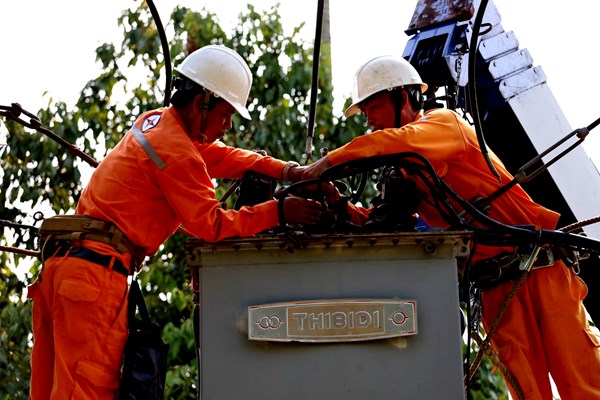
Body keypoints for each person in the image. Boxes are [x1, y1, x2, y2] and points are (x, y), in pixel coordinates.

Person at [27, 44, 322, 399]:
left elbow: (219, 157)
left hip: (65, 271)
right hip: (95, 280)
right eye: (226, 114)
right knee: (85, 392)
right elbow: (212, 225)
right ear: (201, 104)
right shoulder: (176, 151)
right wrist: (279, 211)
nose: (228, 126)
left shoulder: (155, 123)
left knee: (48, 391)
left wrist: (289, 171)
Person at [302, 54, 600, 399]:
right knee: (527, 392)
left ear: (404, 97)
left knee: (583, 384)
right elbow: (381, 224)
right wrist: (337, 204)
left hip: (539, 271)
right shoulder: (409, 171)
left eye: (373, 106)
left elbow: (395, 141)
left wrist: (325, 164)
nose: (368, 119)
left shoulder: (444, 124)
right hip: (495, 288)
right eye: (365, 111)